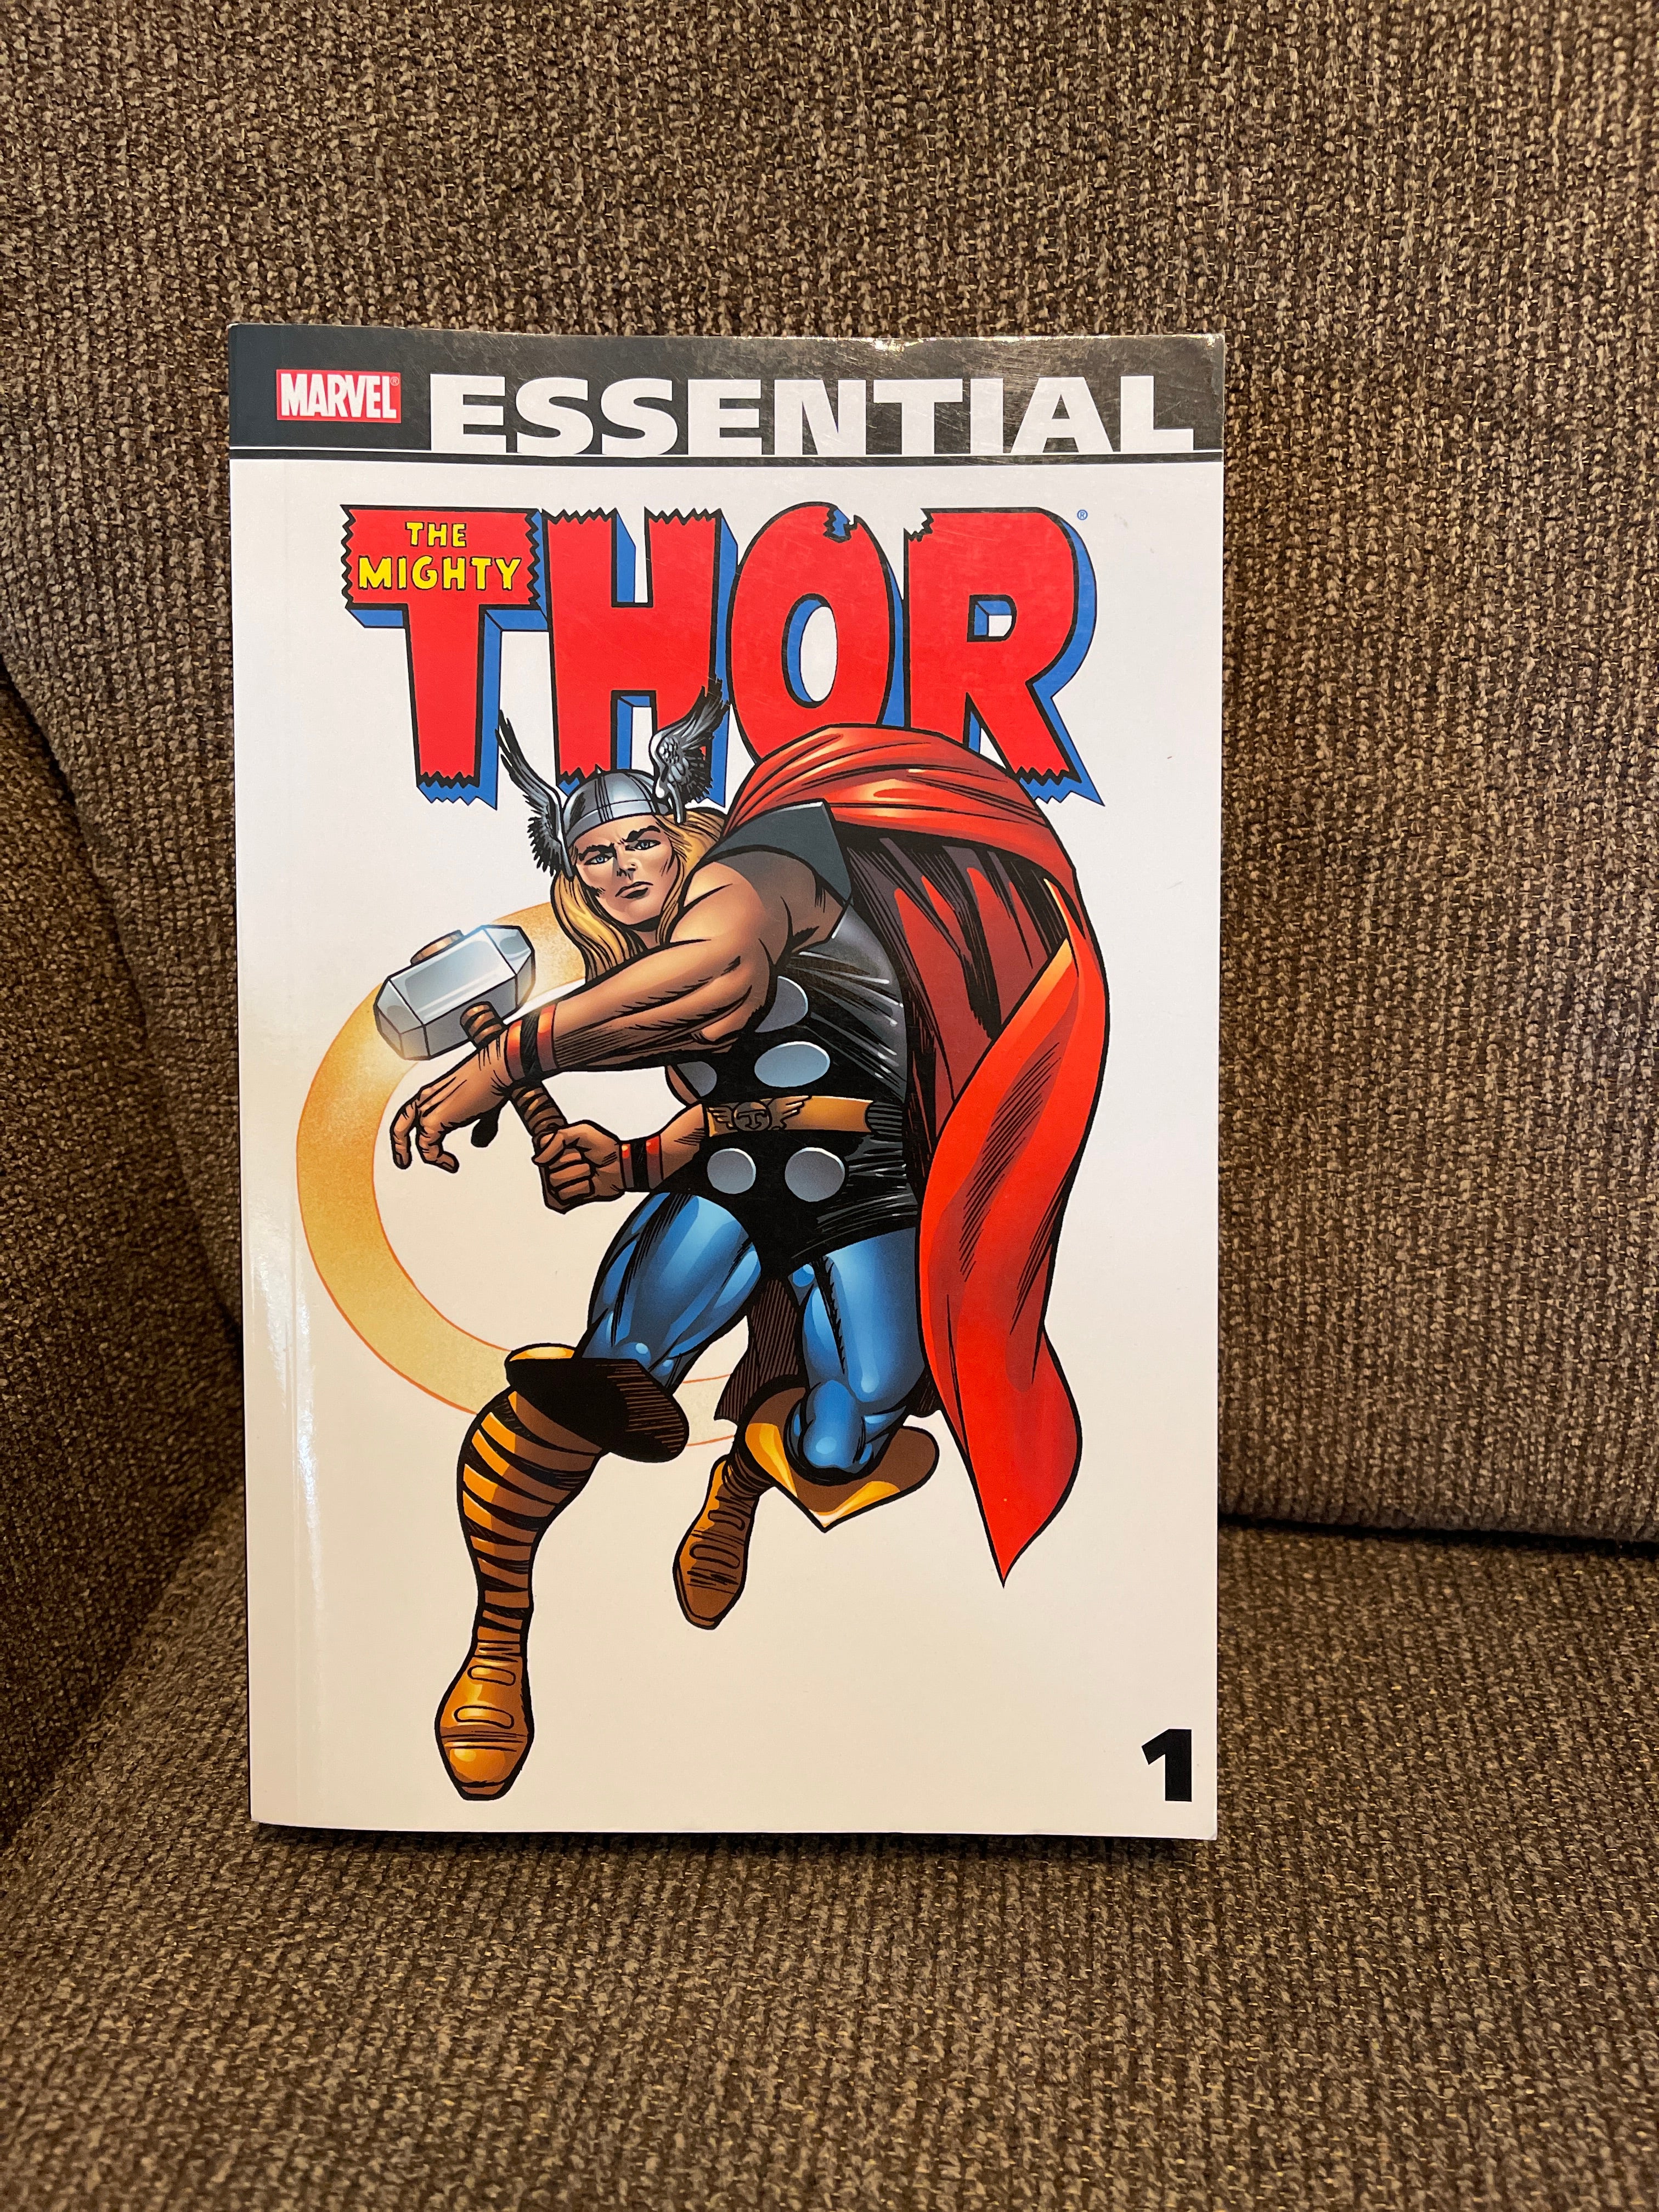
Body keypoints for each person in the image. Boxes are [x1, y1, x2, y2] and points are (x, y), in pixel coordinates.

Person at [392, 690, 1108, 1801]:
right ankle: (495, 1642)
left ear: (683, 830)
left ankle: (741, 1479)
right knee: (596, 1385)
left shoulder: (764, 870)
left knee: (844, 1443)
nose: (623, 868)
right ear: (574, 877)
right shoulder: (644, 961)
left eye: (640, 841)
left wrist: (501, 1063)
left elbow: (719, 992)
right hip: (729, 1189)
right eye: (595, 857)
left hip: (866, 1194)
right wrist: (630, 1164)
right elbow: (731, 1106)